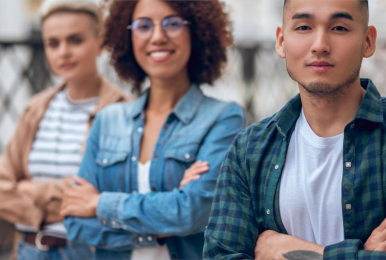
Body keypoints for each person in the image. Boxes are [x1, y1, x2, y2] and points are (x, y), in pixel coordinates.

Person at [204, 0, 386, 259]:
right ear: (281, 41)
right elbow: (221, 255)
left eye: (339, 28)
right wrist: (363, 255)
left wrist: (295, 252)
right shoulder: (249, 150)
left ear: (368, 41)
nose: (320, 44)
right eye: (304, 27)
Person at [61, 0, 245, 259]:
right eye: (143, 25)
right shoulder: (107, 121)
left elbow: (193, 211)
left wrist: (99, 204)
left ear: (198, 32)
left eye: (172, 24)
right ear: (128, 36)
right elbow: (76, 223)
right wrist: (159, 229)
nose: (158, 37)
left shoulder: (223, 118)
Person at [0, 0, 129, 259]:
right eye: (53, 43)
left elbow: (109, 193)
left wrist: (28, 189)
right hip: (28, 250)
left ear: (100, 42)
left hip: (87, 251)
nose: (63, 52)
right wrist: (56, 201)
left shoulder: (122, 111)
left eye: (75, 40)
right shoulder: (36, 108)